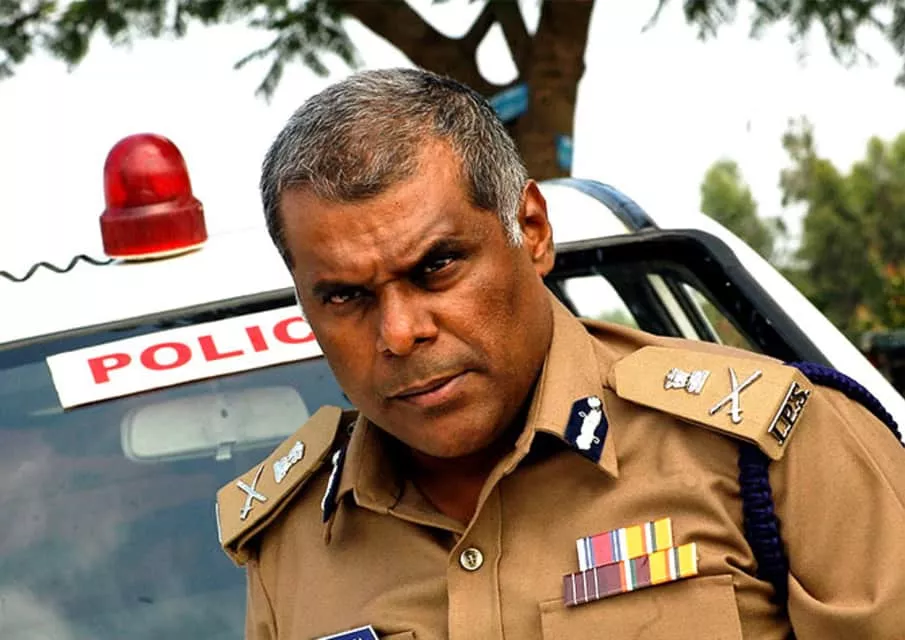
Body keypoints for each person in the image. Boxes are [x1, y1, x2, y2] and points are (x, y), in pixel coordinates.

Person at [215, 67, 905, 640]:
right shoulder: (291, 544)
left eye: (437, 267)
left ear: (533, 231)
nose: (398, 332)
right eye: (344, 296)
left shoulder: (762, 452)